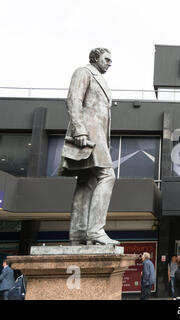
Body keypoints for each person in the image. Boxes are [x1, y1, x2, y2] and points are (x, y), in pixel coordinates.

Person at [59, 47, 119, 245]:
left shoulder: (101, 79)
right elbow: (73, 99)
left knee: (86, 182)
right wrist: (79, 129)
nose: (110, 63)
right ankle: (95, 230)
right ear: (95, 57)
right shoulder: (83, 72)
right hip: (89, 132)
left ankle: (78, 234)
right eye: (107, 59)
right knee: (107, 175)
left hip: (98, 135)